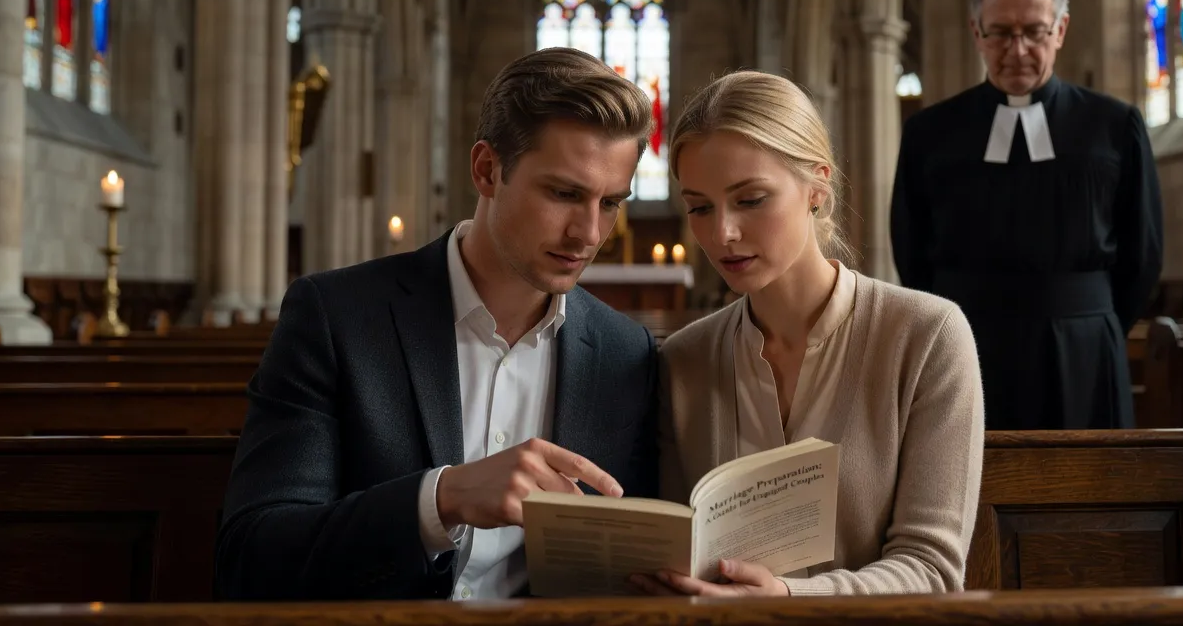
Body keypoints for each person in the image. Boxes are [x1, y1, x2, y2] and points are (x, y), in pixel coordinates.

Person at [216, 47, 661, 601]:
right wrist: (440, 498)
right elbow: (251, 560)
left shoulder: (626, 352)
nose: (589, 233)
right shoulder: (336, 317)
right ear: (486, 169)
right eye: (564, 194)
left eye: (611, 202)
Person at [635, 71, 985, 598]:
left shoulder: (927, 336)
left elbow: (932, 570)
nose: (722, 233)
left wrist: (788, 599)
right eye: (700, 207)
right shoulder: (685, 359)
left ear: (817, 187)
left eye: (750, 199)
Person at [890, 0, 1164, 430]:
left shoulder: (1114, 127)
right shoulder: (930, 134)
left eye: (1034, 31)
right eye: (1000, 32)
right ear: (976, 32)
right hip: (965, 347)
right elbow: (911, 251)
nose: (1016, 49)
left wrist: (1089, 322)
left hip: (1084, 354)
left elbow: (1143, 252)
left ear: (1061, 30)